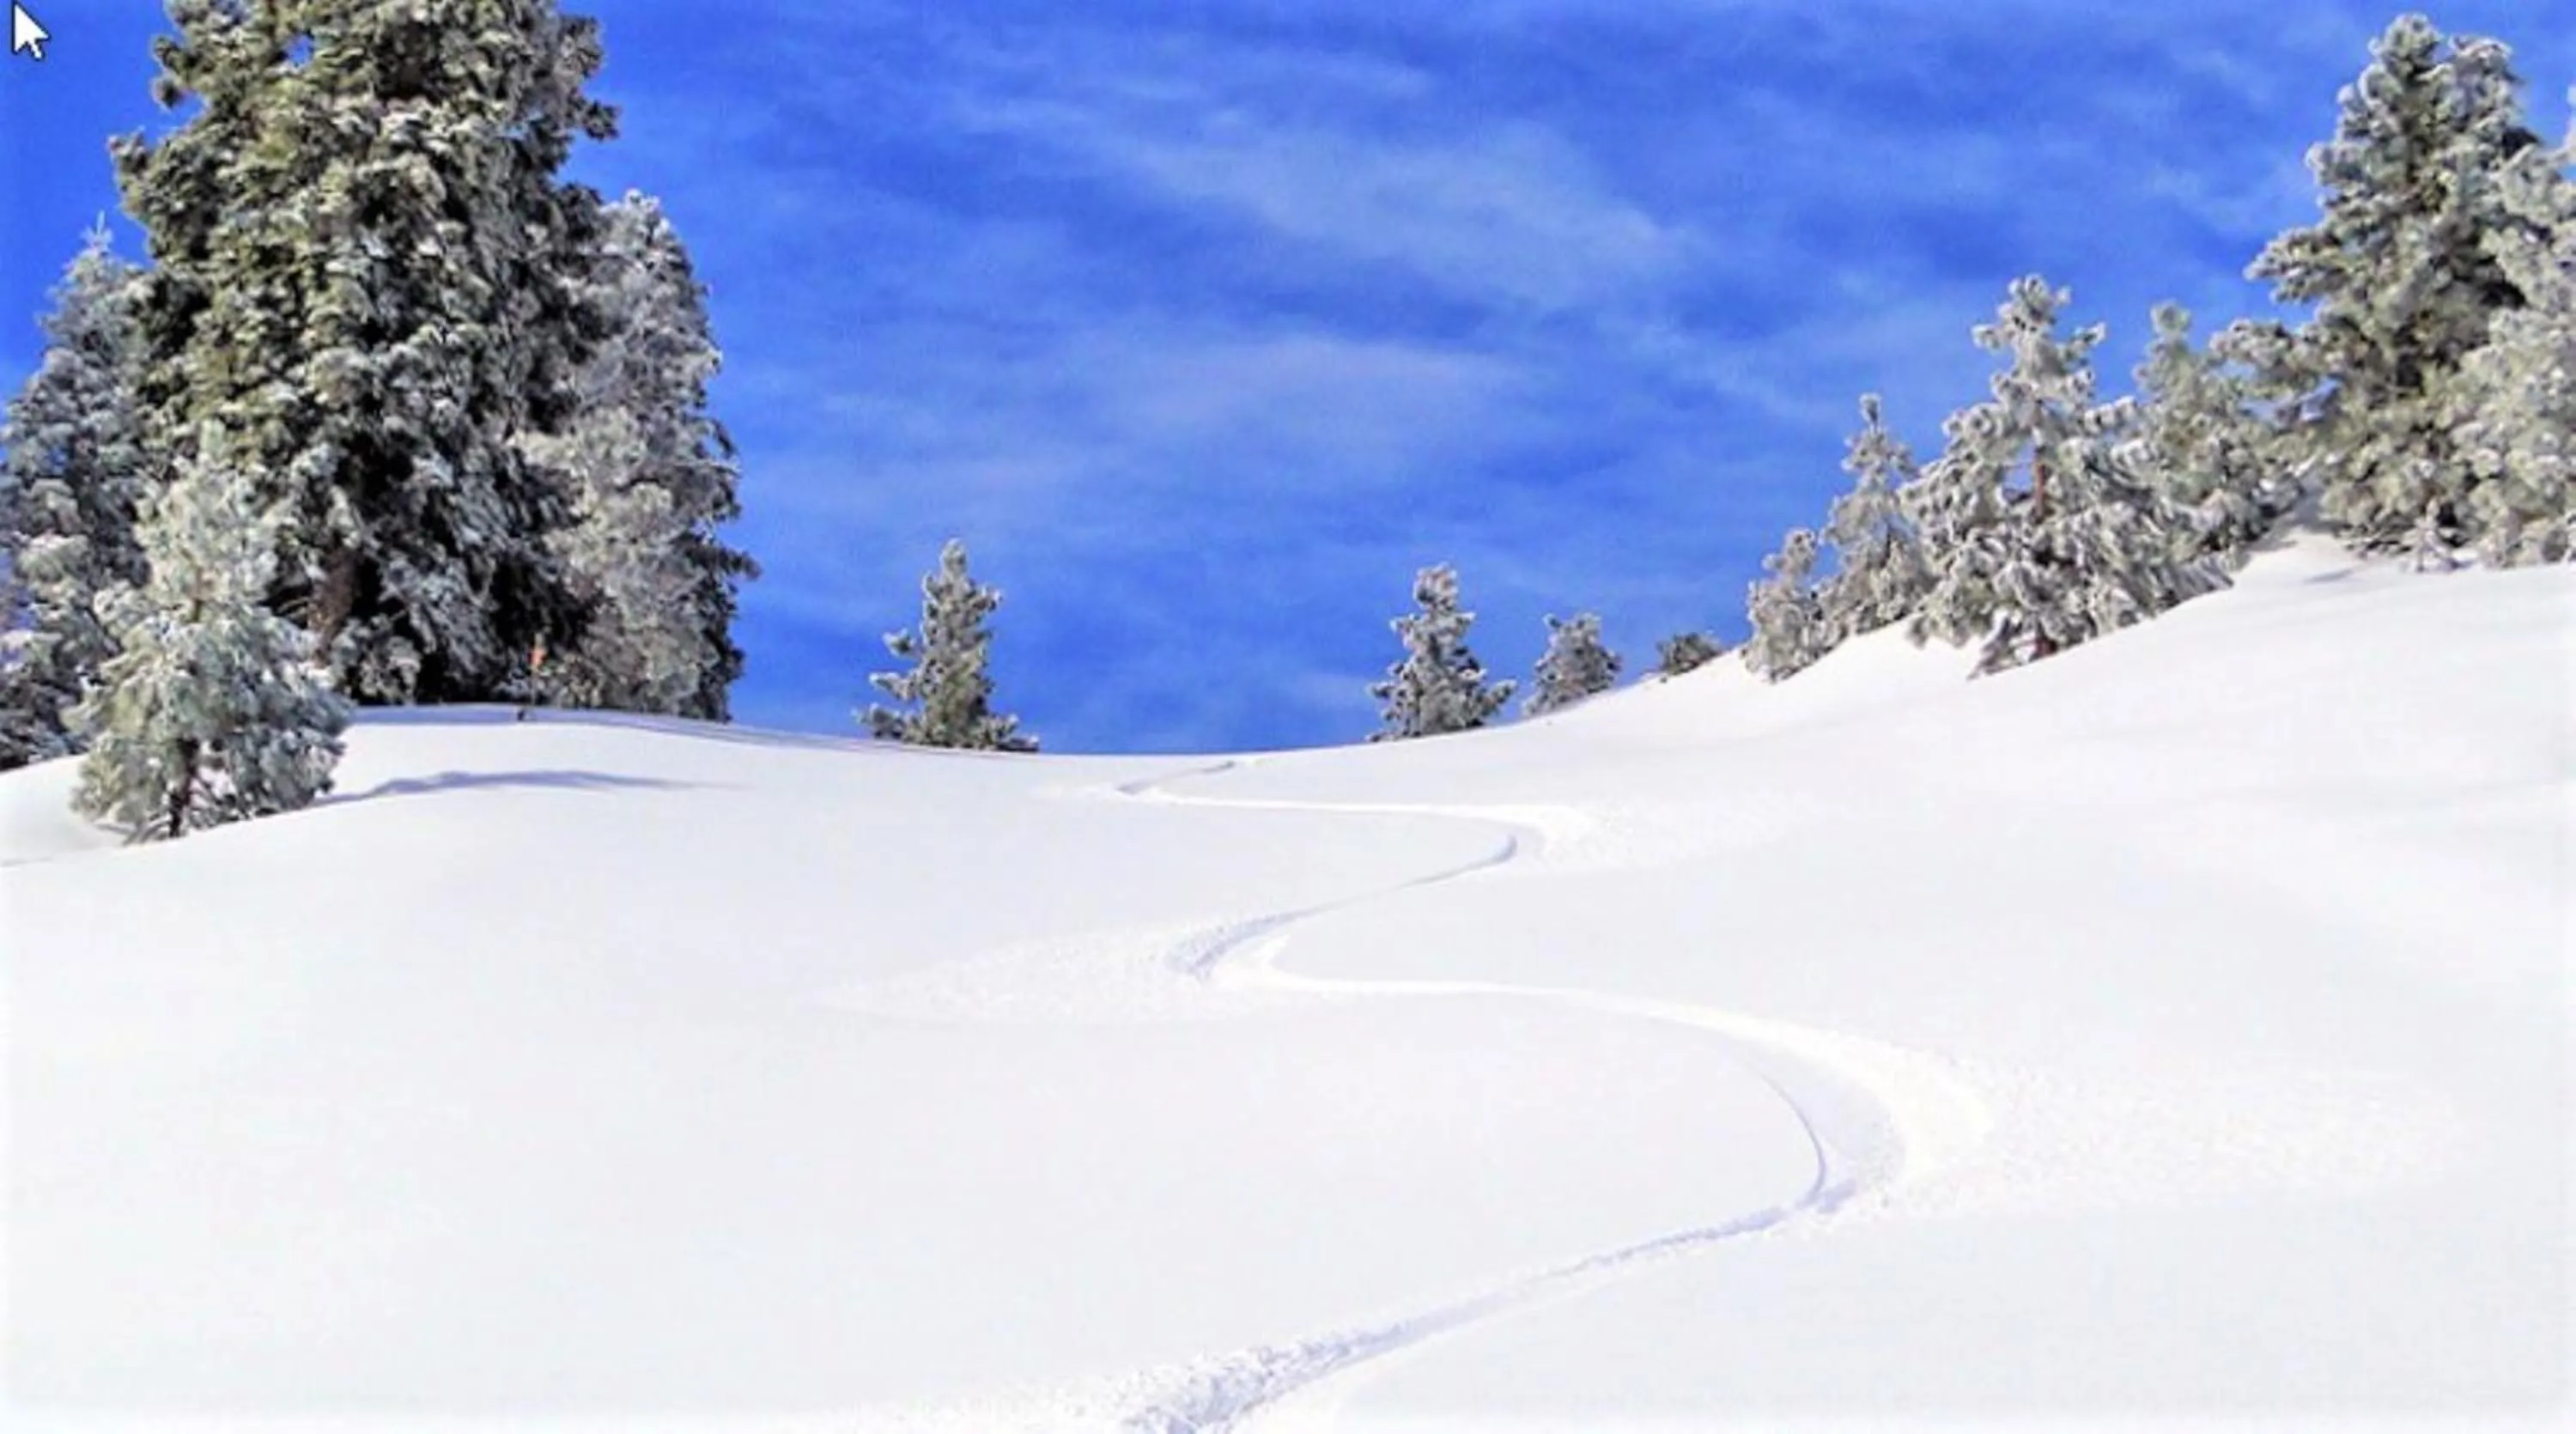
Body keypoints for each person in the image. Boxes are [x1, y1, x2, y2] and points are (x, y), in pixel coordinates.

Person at [513, 637, 549, 722]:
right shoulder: (534, 652)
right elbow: (532, 664)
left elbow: (540, 664)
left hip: (534, 675)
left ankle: (524, 712)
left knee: (532, 696)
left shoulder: (538, 652)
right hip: (531, 675)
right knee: (530, 696)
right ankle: (523, 712)